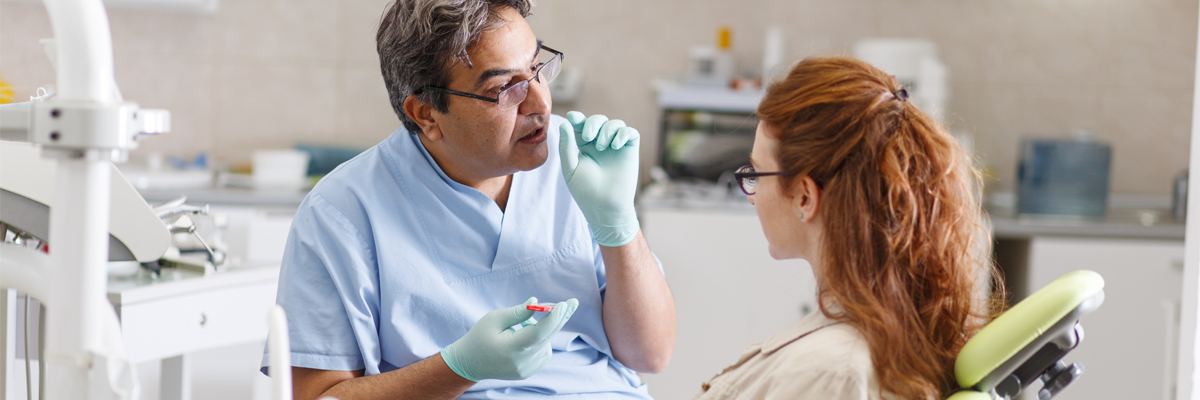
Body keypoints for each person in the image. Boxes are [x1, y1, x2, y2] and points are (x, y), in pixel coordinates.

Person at [261, 1, 676, 399]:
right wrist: (459, 368)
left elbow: (651, 355)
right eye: (505, 88)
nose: (540, 103)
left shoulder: (578, 162)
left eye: (537, 69)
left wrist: (619, 225)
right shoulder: (342, 212)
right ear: (426, 115)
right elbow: (319, 396)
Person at [693, 57, 1002, 400]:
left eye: (756, 174)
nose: (752, 196)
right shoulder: (889, 329)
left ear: (805, 197)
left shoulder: (829, 372)